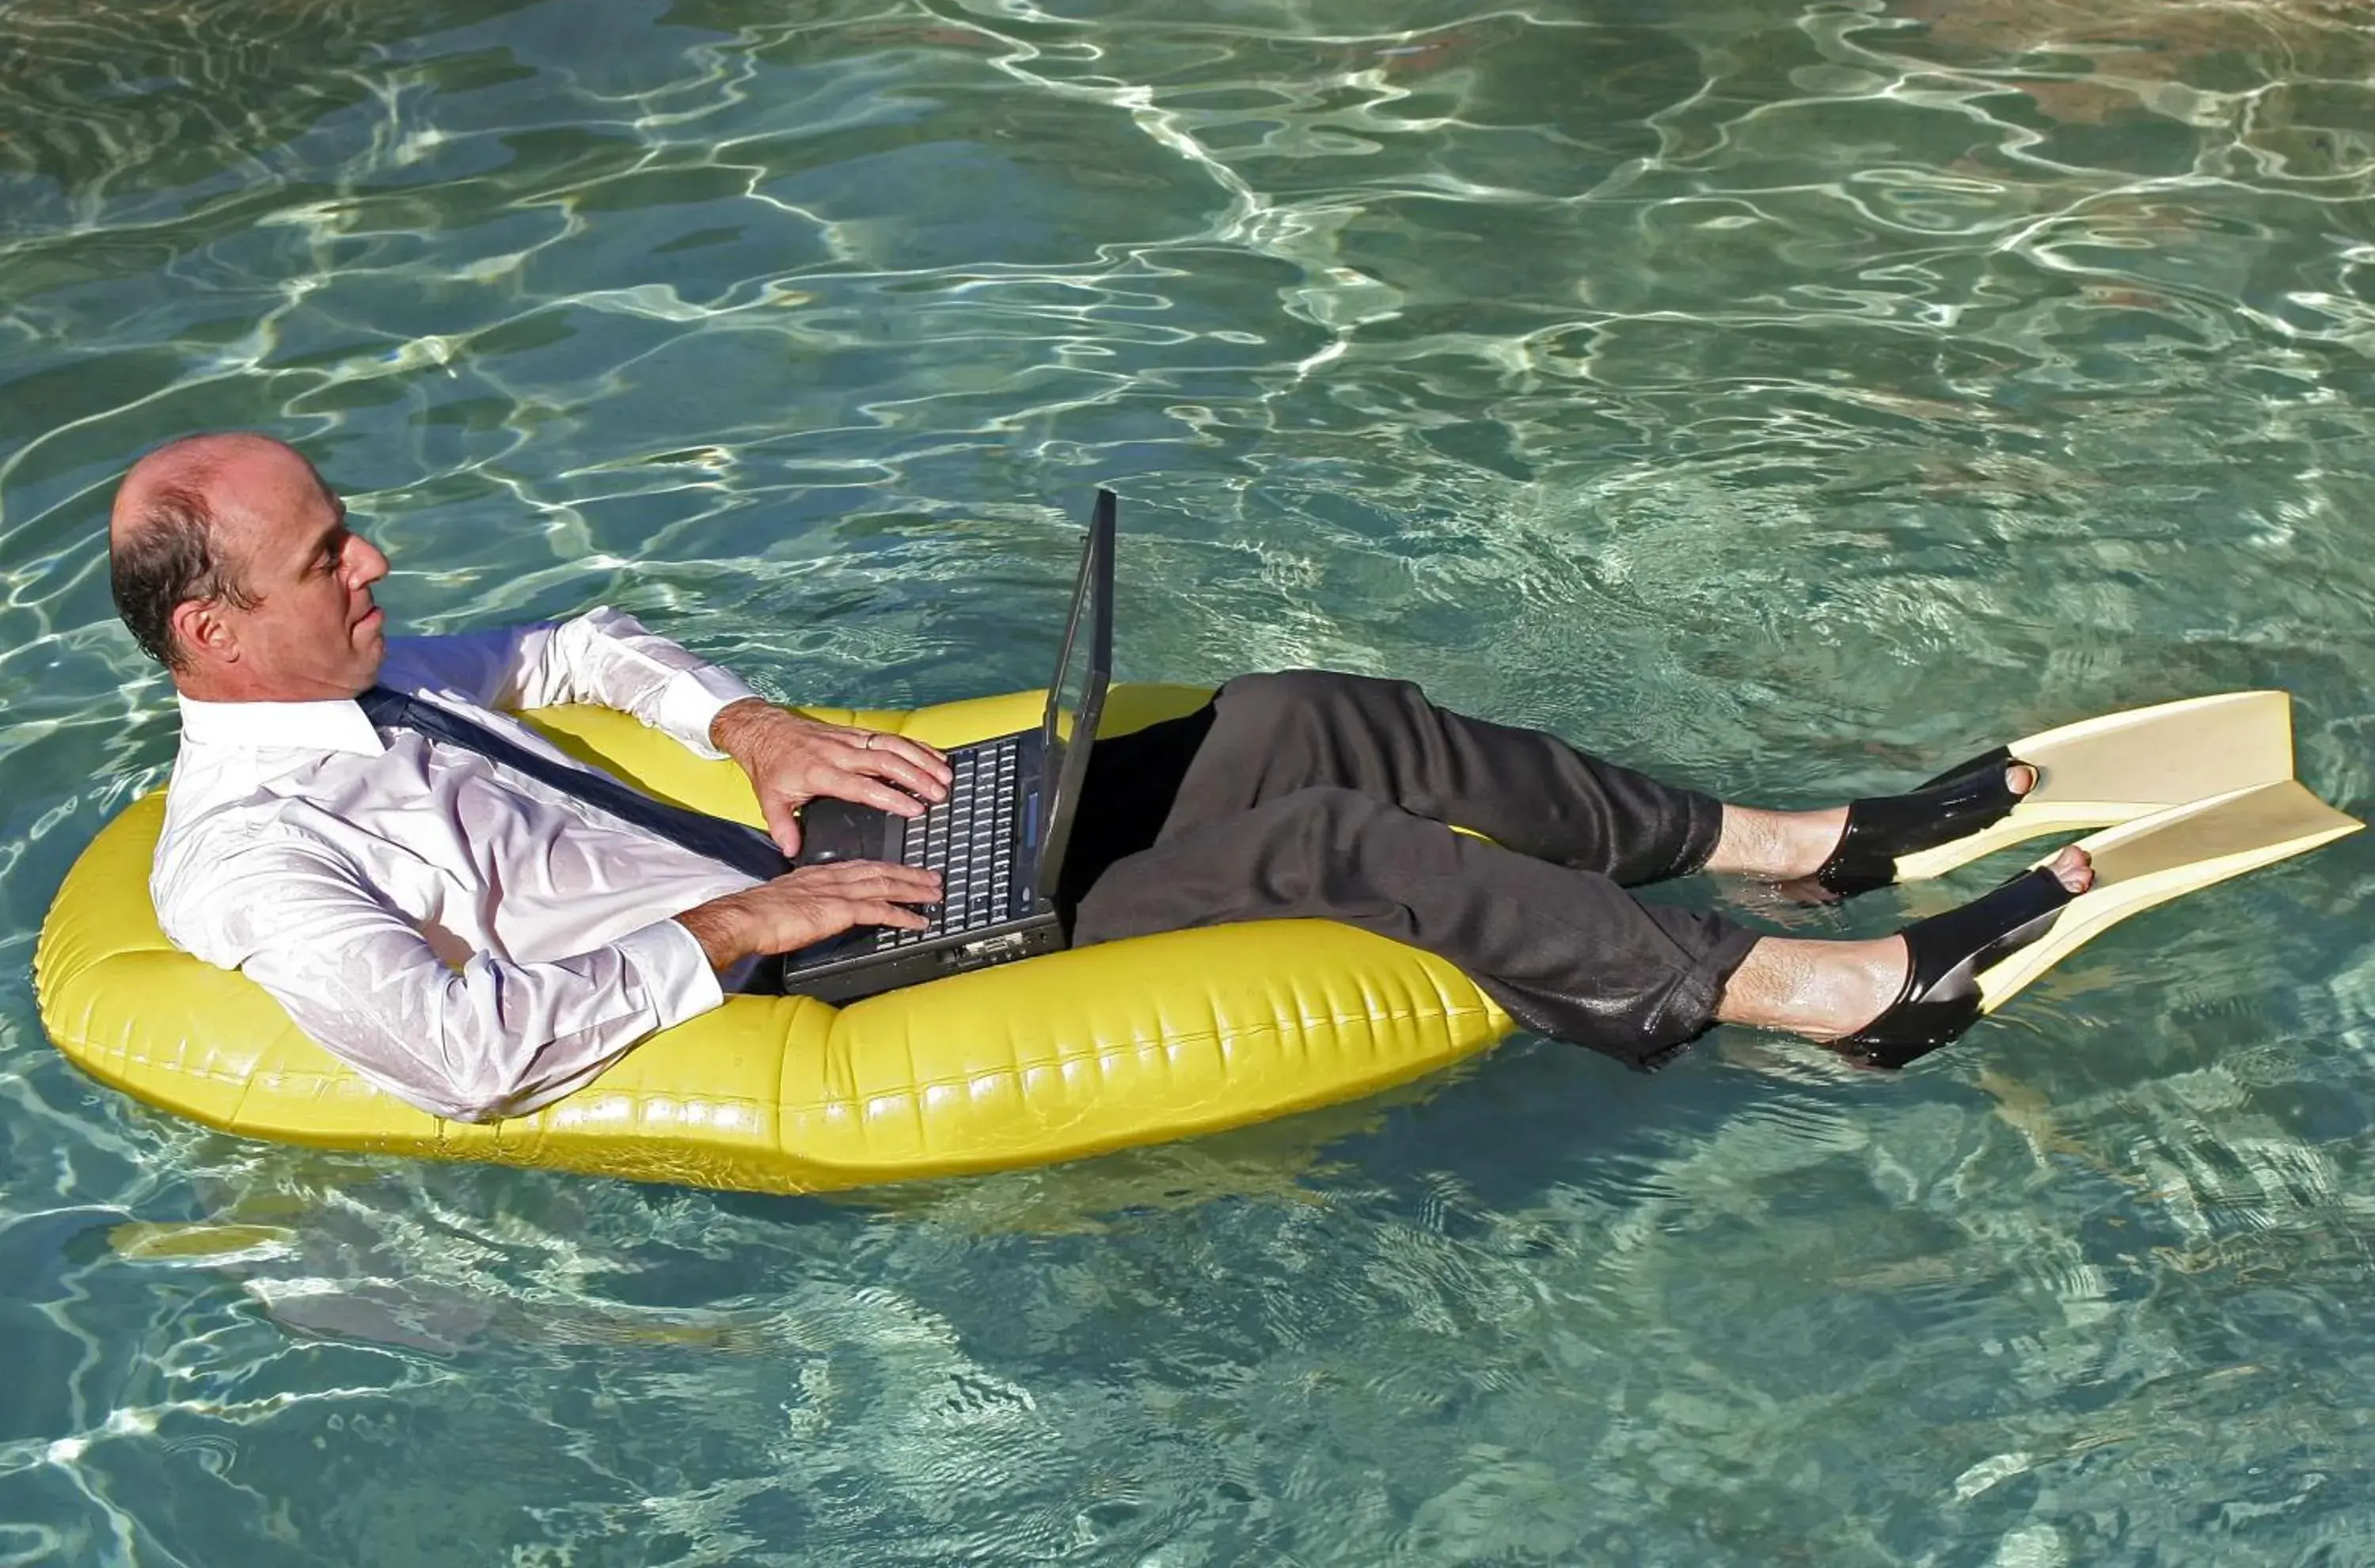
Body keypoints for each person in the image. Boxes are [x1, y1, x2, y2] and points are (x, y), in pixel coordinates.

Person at [108, 433, 2093, 1122]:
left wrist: (747, 727)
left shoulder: (381, 681)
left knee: (1310, 712)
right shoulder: (249, 850)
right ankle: (1824, 999)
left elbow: (566, 643)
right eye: (329, 559)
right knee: (1331, 838)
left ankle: (1793, 847)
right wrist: (743, 919)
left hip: (831, 854)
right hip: (803, 959)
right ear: (216, 630)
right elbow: (456, 1052)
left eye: (352, 533)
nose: (377, 564)